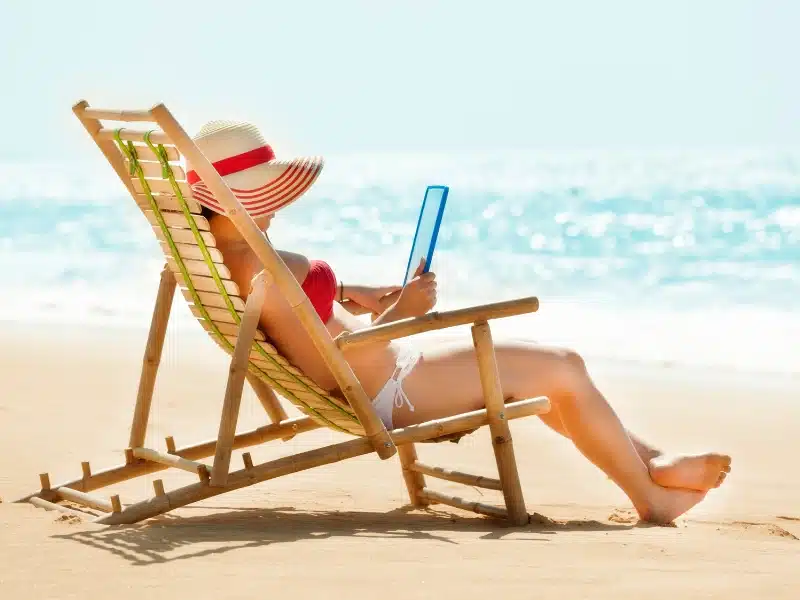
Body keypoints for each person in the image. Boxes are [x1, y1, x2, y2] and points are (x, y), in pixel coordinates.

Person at [186, 120, 732, 525]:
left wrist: (356, 293)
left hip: (387, 370)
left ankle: (655, 463)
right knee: (562, 367)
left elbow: (306, 324)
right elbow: (337, 364)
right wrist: (405, 313)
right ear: (234, 196)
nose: (276, 206)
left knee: (553, 369)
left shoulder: (236, 256)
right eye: (265, 194)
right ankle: (652, 496)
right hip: (388, 388)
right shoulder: (261, 272)